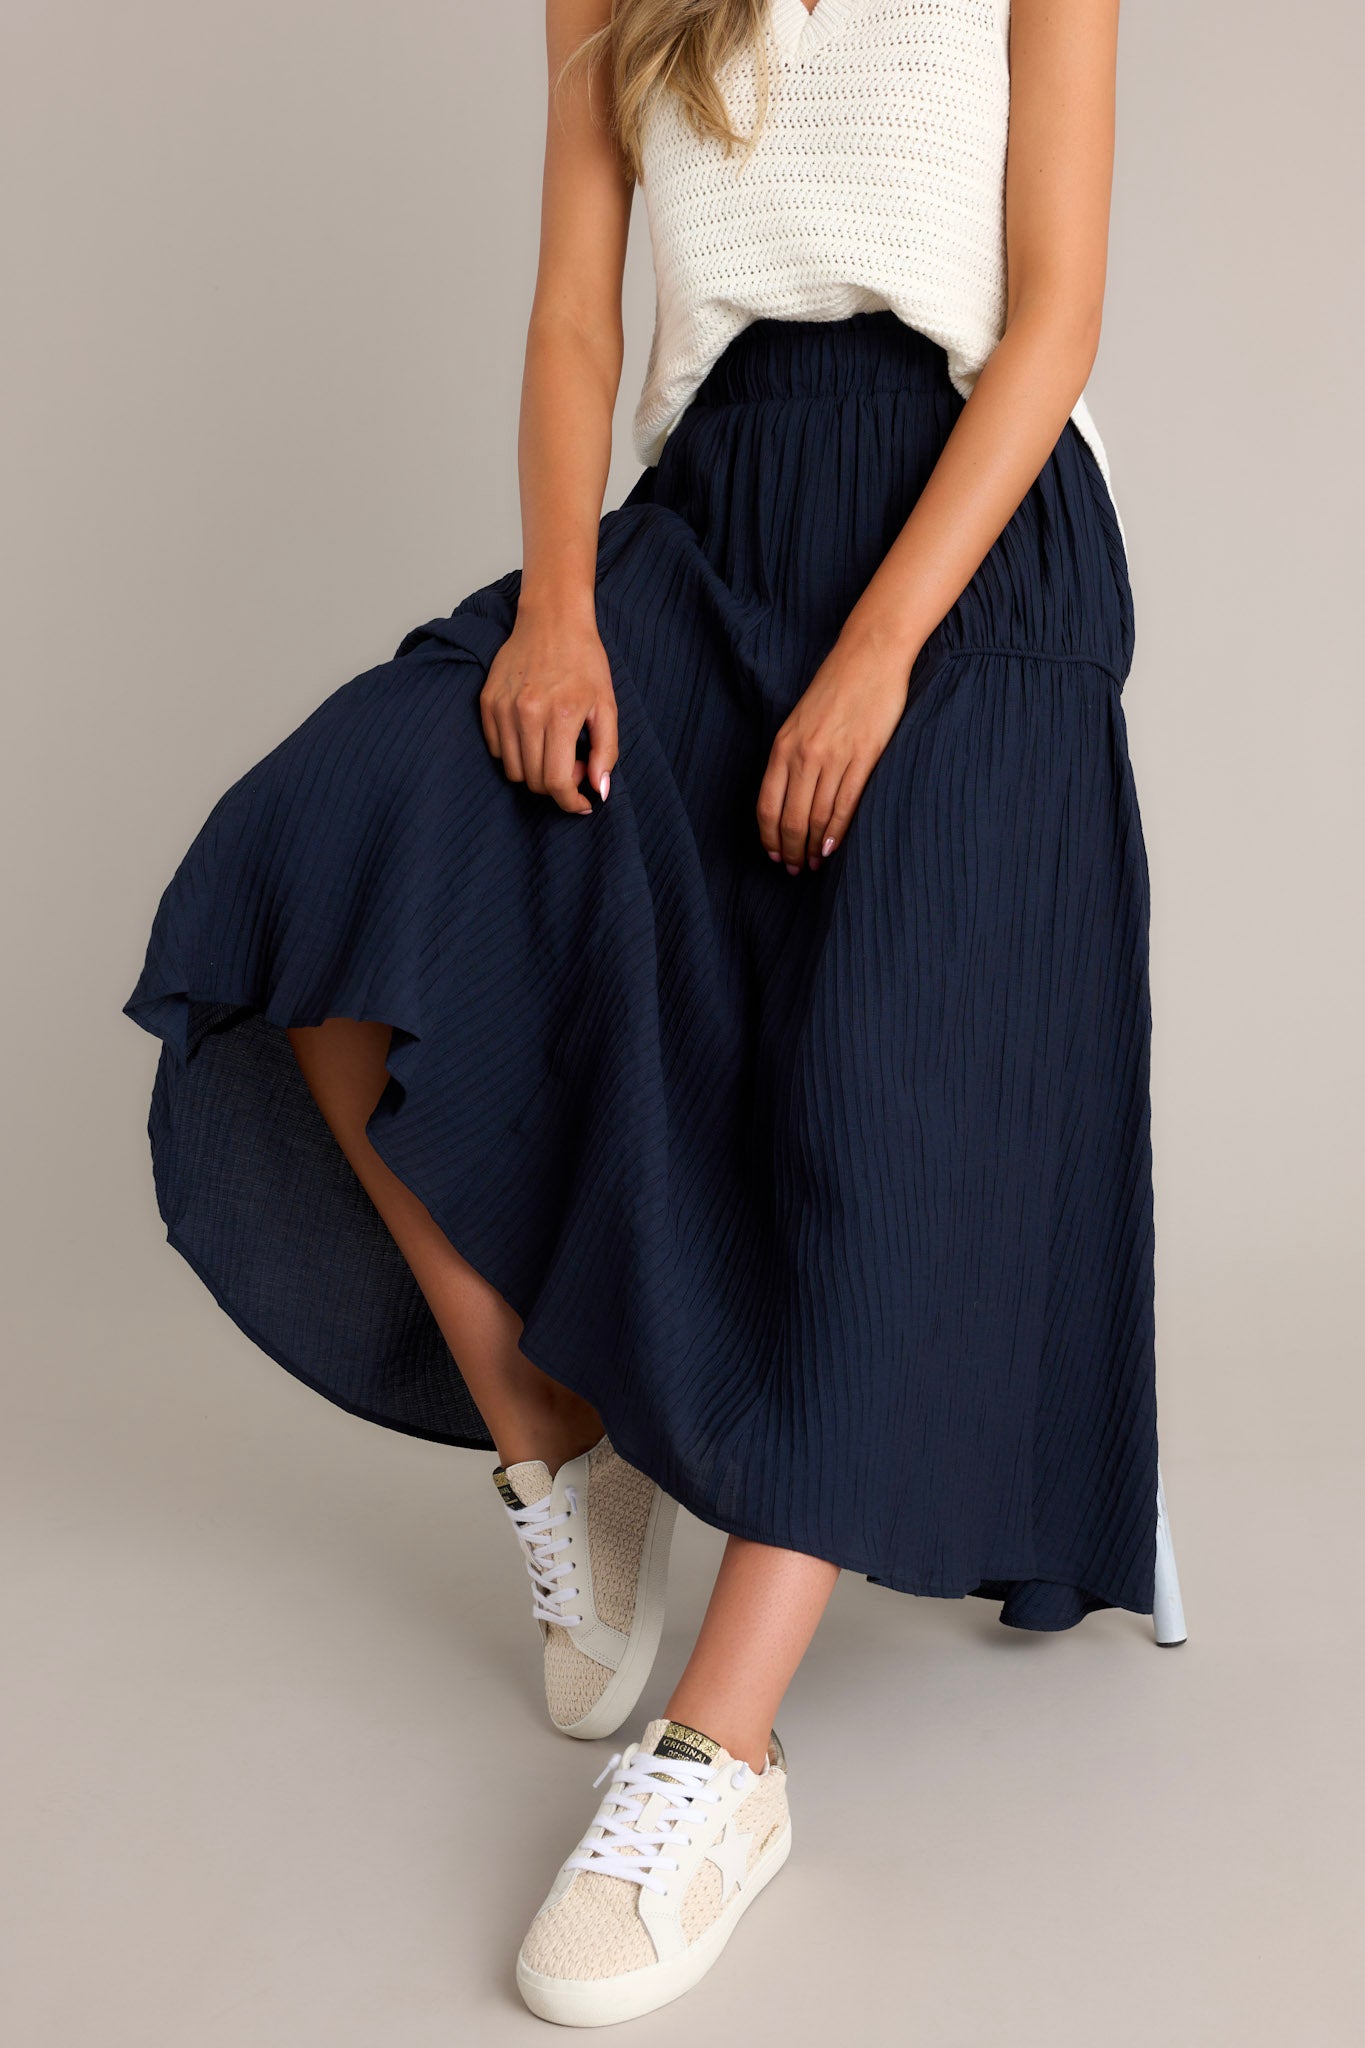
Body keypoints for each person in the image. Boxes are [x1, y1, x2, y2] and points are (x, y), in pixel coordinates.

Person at [125, 0, 1157, 2025]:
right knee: (334, 853)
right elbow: (577, 331)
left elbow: (1048, 324)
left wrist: (876, 654)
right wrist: (555, 606)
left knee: (893, 1054)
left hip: (972, 534)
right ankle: (558, 1449)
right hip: (700, 531)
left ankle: (718, 1759)